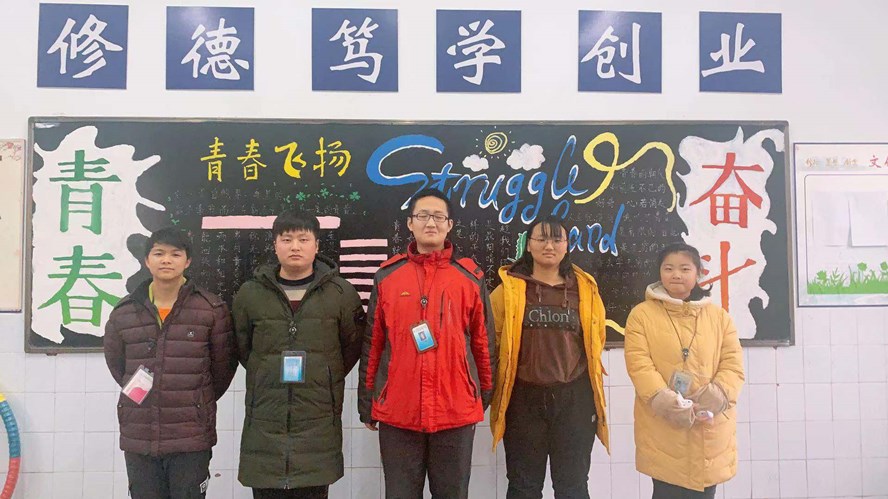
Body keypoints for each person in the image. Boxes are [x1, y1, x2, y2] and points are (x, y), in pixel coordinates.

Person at [358, 188, 495, 499]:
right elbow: (374, 343)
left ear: (449, 225)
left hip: (455, 411)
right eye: (422, 216)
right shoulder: (387, 277)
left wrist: (483, 394)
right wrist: (367, 402)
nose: (430, 223)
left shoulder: (469, 278)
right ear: (410, 223)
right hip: (398, 412)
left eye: (438, 217)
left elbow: (484, 342)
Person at [233, 209, 365, 499]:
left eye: (303, 239)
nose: (295, 247)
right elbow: (243, 348)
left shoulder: (341, 293)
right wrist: (266, 370)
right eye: (287, 239)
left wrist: (323, 372)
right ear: (274, 245)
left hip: (317, 418)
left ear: (316, 245)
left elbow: (352, 347)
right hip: (265, 418)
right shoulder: (250, 294)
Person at [104, 227, 237, 499]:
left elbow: (223, 369)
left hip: (190, 435)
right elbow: (118, 366)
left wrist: (197, 399)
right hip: (140, 432)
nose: (166, 260)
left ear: (188, 261)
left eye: (175, 254)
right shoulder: (124, 312)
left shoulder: (211, 310)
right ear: (146, 260)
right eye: (159, 253)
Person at [489, 215, 610, 499]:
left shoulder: (585, 289)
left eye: (557, 239)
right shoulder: (507, 290)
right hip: (523, 399)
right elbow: (492, 342)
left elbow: (597, 339)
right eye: (541, 239)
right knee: (523, 487)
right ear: (528, 245)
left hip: (574, 399)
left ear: (567, 246)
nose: (549, 246)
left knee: (573, 486)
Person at [624, 242, 745, 499]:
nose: (676, 274)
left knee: (704, 491)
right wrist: (667, 402)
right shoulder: (641, 315)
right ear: (659, 272)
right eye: (668, 268)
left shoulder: (718, 316)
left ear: (698, 273)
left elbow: (733, 363)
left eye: (685, 268)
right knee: (666, 490)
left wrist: (716, 396)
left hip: (709, 423)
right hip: (663, 424)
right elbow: (639, 364)